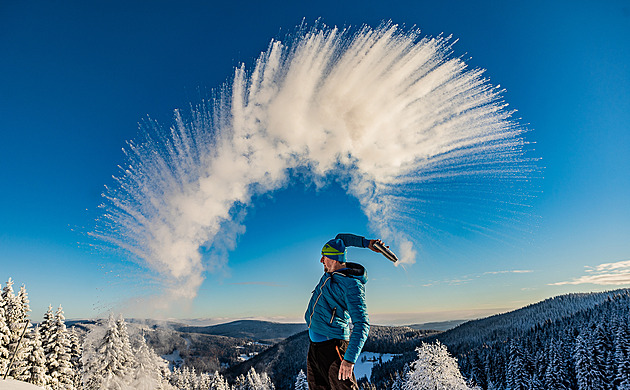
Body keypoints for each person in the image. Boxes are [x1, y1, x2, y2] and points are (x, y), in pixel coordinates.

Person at [304, 233, 384, 390]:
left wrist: (349, 360)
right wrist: (367, 243)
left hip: (333, 348)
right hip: (315, 347)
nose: (321, 261)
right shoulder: (331, 273)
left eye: (324, 257)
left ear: (334, 259)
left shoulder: (352, 285)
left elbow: (362, 324)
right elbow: (342, 238)